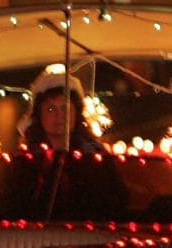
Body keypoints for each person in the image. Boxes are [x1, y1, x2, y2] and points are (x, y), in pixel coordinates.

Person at [17, 75, 127, 219]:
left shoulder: (95, 154)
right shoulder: (27, 158)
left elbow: (117, 198)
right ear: (39, 115)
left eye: (66, 108)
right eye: (51, 109)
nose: (59, 116)